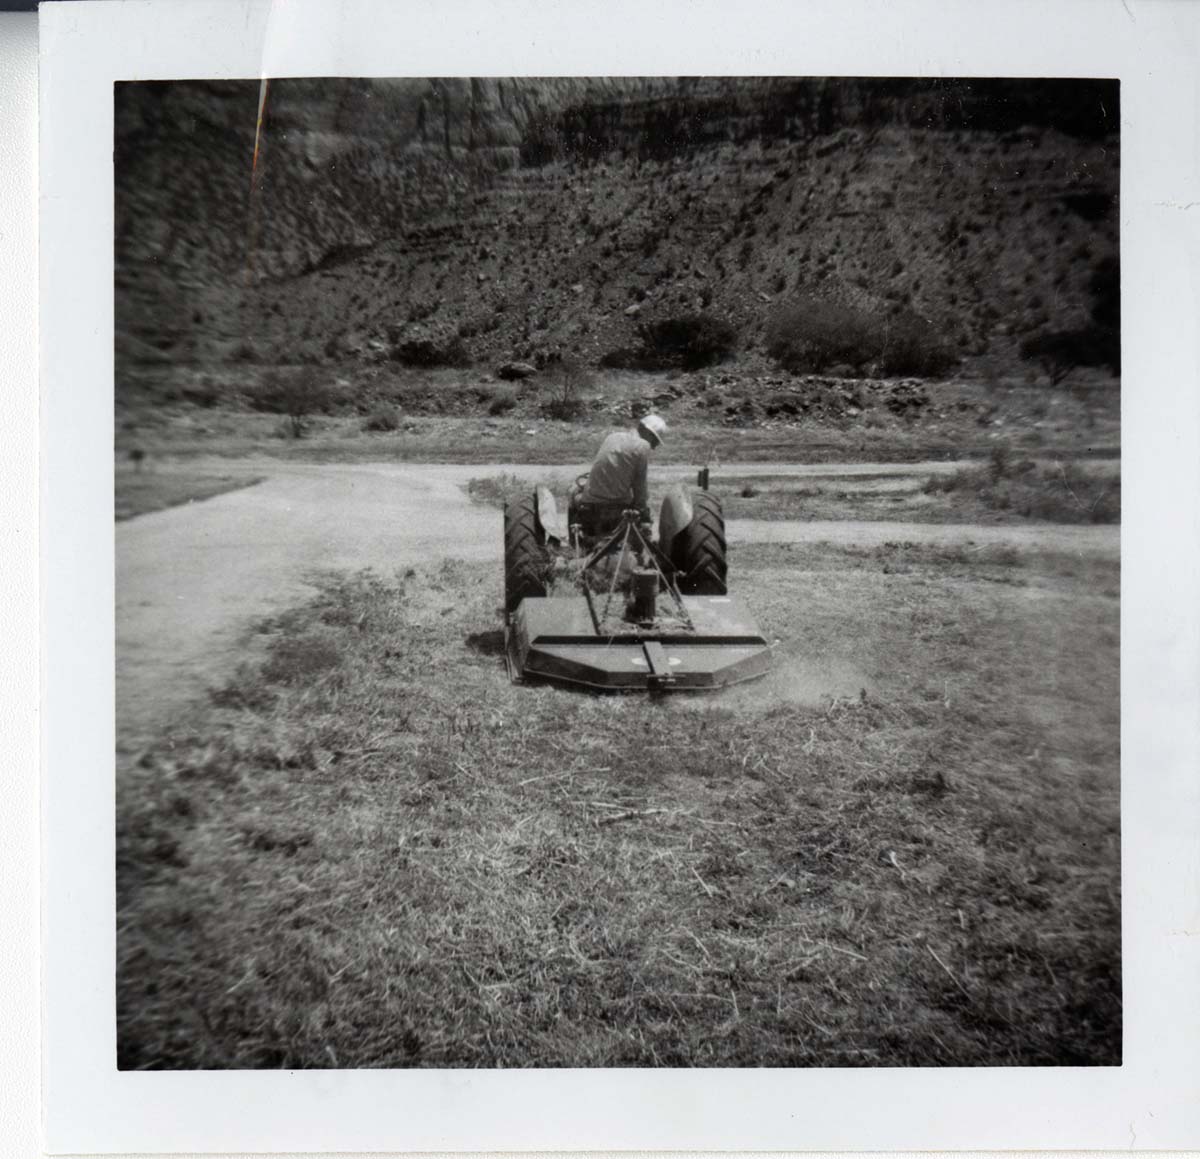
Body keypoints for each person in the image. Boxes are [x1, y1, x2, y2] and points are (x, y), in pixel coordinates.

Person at [573, 414, 667, 536]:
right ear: (647, 432)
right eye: (655, 440)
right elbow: (640, 487)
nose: (654, 446)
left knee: (574, 492)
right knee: (643, 513)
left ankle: (578, 537)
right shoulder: (642, 446)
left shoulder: (612, 437)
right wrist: (643, 514)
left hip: (589, 505)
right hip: (617, 511)